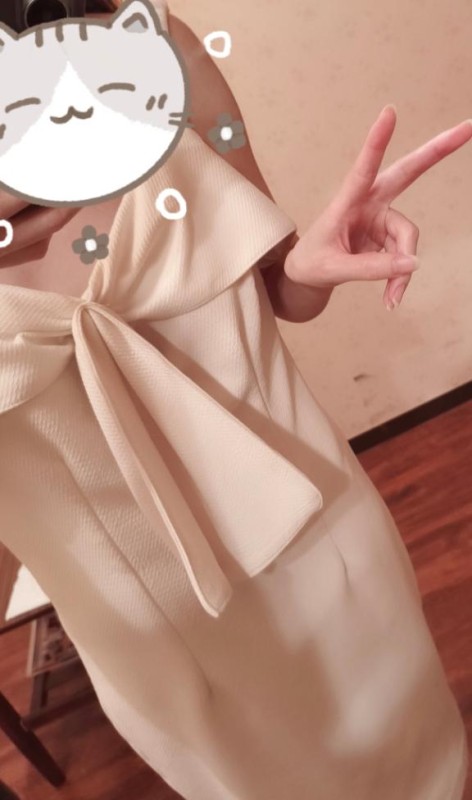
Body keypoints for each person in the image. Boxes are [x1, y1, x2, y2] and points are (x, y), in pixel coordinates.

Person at [0, 1, 469, 798]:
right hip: (155, 646)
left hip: (325, 545)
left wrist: (310, 265)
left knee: (426, 771)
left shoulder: (155, 45)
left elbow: (277, 287)